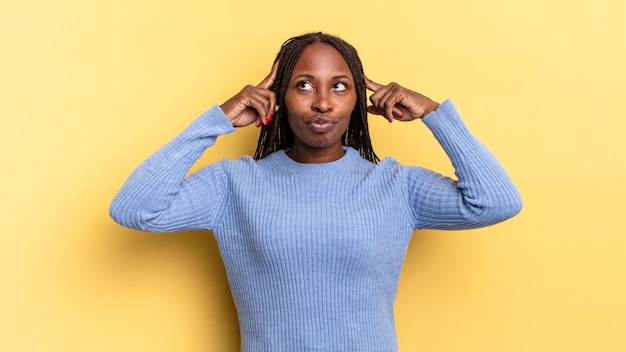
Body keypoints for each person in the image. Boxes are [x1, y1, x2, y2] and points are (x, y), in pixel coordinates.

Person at [110, 32, 522, 351]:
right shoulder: (233, 186)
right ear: (278, 99)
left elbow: (496, 201)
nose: (322, 102)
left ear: (359, 101)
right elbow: (136, 210)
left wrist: (434, 114)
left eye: (340, 86)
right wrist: (215, 120)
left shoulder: (397, 187)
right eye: (304, 86)